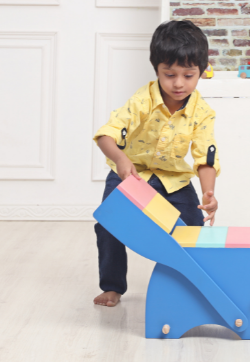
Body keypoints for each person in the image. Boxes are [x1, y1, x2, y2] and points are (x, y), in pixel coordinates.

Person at [92, 20, 221, 307]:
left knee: (193, 228)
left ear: (202, 70)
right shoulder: (142, 100)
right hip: (131, 174)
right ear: (156, 70)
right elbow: (105, 136)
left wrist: (209, 193)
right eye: (169, 74)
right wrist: (122, 159)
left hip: (173, 180)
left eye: (188, 75)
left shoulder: (203, 112)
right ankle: (112, 285)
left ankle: (191, 283)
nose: (178, 83)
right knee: (108, 225)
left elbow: (205, 158)